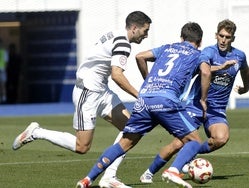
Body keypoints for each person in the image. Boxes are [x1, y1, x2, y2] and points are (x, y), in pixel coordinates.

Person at [12, 11, 152, 188]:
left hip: (101, 90)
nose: (146, 35)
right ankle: (36, 132)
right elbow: (117, 75)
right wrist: (140, 96)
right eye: (145, 31)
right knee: (82, 147)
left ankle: (109, 178)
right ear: (134, 28)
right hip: (87, 92)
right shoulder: (123, 43)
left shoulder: (116, 32)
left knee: (132, 129)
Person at [75, 22, 211, 188]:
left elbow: (140, 56)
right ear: (200, 41)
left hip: (145, 98)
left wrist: (148, 81)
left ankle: (87, 179)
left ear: (181, 38)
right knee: (195, 141)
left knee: (124, 143)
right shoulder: (198, 54)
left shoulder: (168, 48)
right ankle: (173, 170)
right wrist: (203, 99)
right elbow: (205, 72)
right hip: (165, 100)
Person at [140, 19, 249, 184]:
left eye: (228, 37)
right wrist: (220, 68)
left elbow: (245, 69)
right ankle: (149, 173)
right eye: (221, 36)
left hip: (217, 108)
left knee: (221, 138)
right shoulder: (208, 52)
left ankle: (189, 155)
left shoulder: (239, 55)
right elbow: (203, 69)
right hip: (196, 104)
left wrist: (246, 87)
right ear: (216, 35)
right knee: (177, 144)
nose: (223, 40)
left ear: (232, 39)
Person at [0, 38, 8, 103]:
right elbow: (6, 62)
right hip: (2, 69)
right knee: (2, 84)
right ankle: (3, 98)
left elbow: (6, 62)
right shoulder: (4, 51)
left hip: (2, 69)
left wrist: (4, 69)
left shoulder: (4, 51)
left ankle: (3, 98)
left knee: (2, 84)